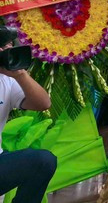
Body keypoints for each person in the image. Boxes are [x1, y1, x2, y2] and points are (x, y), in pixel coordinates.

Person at [0, 30, 56, 203]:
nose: (7, 51)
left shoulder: (6, 79)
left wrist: (20, 74)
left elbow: (43, 103)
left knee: (43, 161)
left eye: (9, 47)